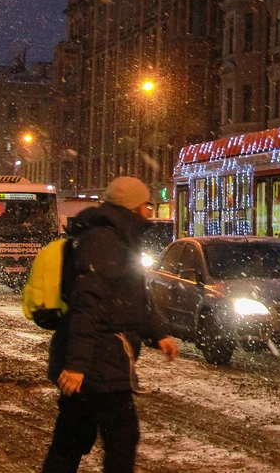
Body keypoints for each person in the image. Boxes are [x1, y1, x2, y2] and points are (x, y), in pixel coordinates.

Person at [42, 176, 179, 473]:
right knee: (120, 440)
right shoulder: (104, 240)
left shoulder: (116, 237)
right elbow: (87, 302)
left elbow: (130, 298)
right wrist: (77, 365)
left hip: (100, 359)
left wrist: (159, 335)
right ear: (134, 206)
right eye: (146, 204)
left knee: (72, 440)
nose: (149, 211)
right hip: (99, 361)